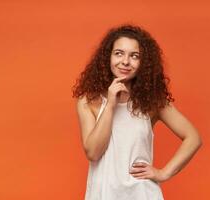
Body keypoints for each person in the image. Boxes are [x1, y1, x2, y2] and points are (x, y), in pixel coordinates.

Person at [72, 24, 202, 200]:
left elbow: (193, 137)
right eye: (119, 53)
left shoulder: (152, 101)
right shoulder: (88, 101)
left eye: (134, 56)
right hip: (103, 194)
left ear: (144, 63)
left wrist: (164, 173)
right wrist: (110, 103)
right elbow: (93, 153)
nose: (125, 61)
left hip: (142, 193)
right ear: (107, 57)